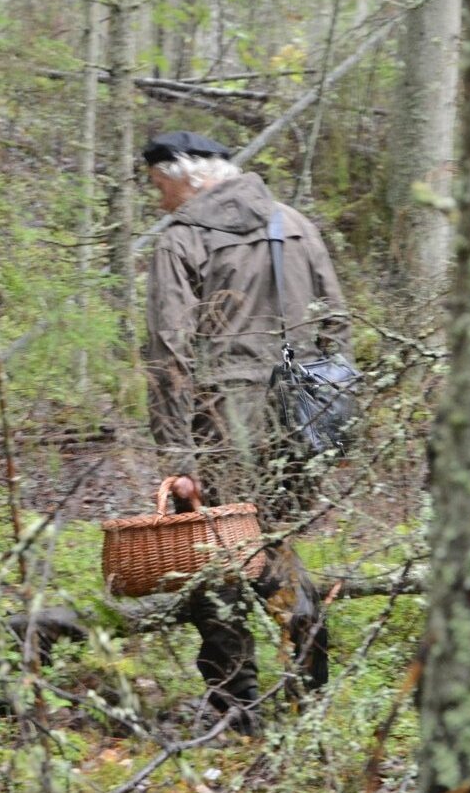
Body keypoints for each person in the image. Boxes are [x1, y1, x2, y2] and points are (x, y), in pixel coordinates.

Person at [141, 131, 349, 733]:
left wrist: (177, 452)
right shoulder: (295, 224)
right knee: (274, 544)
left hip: (221, 419)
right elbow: (336, 326)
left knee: (214, 555)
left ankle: (237, 708)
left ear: (186, 176)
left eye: (160, 186)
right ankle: (310, 690)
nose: (160, 201)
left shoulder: (181, 238)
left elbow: (167, 350)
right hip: (299, 414)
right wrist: (328, 420)